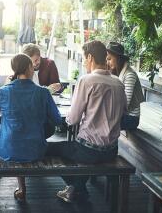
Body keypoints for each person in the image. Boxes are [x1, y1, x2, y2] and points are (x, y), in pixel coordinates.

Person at [46, 40, 127, 202]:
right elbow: (123, 112)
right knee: (72, 148)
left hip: (89, 151)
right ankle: (75, 188)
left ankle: (78, 187)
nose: (84, 62)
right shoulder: (119, 83)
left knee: (47, 149)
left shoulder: (86, 80)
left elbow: (72, 119)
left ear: (90, 57)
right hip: (111, 150)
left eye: (84, 58)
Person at [0, 53, 63, 202]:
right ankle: (24, 188)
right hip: (36, 149)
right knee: (26, 136)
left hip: (8, 150)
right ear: (29, 68)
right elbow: (57, 120)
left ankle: (22, 188)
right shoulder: (43, 93)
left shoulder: (4, 91)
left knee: (11, 139)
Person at [106, 42, 144, 131]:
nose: (107, 62)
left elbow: (125, 104)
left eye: (109, 59)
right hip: (121, 114)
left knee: (101, 121)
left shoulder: (129, 74)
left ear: (118, 58)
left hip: (131, 118)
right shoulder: (117, 73)